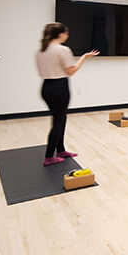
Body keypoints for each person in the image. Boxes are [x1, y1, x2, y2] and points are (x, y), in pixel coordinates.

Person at [34, 22, 99, 166]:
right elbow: (71, 71)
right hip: (59, 87)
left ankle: (61, 150)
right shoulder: (62, 50)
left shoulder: (40, 51)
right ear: (61, 34)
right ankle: (49, 156)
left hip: (46, 87)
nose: (67, 36)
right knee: (58, 121)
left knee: (60, 118)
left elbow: (40, 72)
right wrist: (84, 57)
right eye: (66, 33)